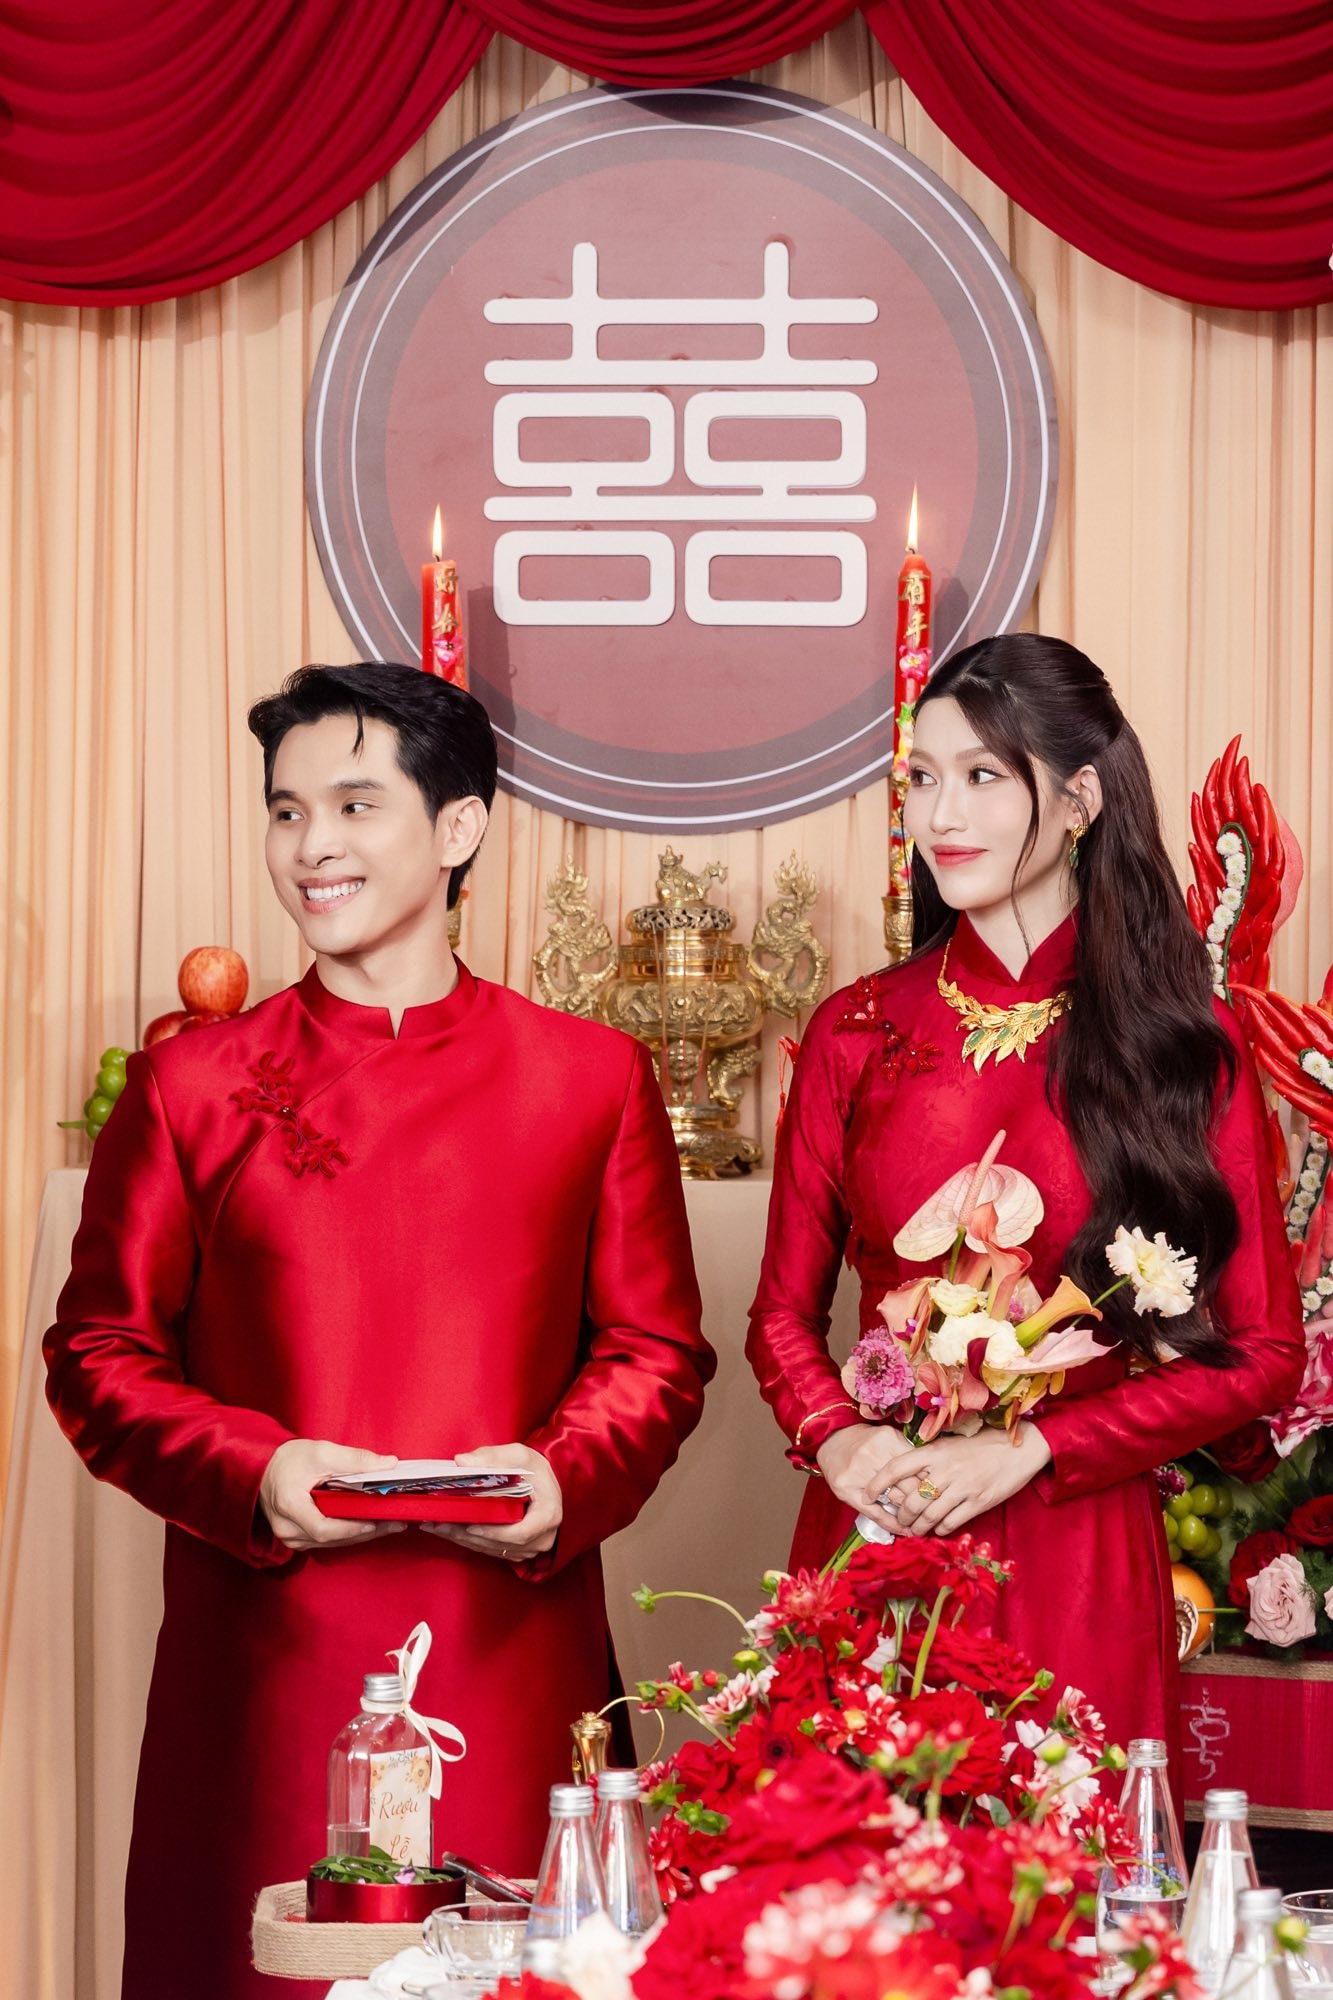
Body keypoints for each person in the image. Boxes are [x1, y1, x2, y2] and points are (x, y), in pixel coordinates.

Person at [45, 662, 713, 2000]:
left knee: (525, 1970)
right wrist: (255, 1470)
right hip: (265, 1655)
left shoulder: (590, 1077)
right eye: (287, 811)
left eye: (355, 805)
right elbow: (98, 1352)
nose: (313, 847)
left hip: (512, 1642)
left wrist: (563, 1476)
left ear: (459, 826)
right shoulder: (191, 1084)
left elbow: (654, 1350)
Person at [747, 633, 1304, 1783]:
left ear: (1081, 798)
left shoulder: (1181, 1046)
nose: (940, 812)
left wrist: (1039, 1445)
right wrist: (841, 1437)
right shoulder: (858, 1030)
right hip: (881, 1526)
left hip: (1075, 1544)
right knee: (856, 1872)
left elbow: (1261, 1356)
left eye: (983, 775)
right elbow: (779, 1318)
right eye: (921, 777)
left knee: (1065, 1875)